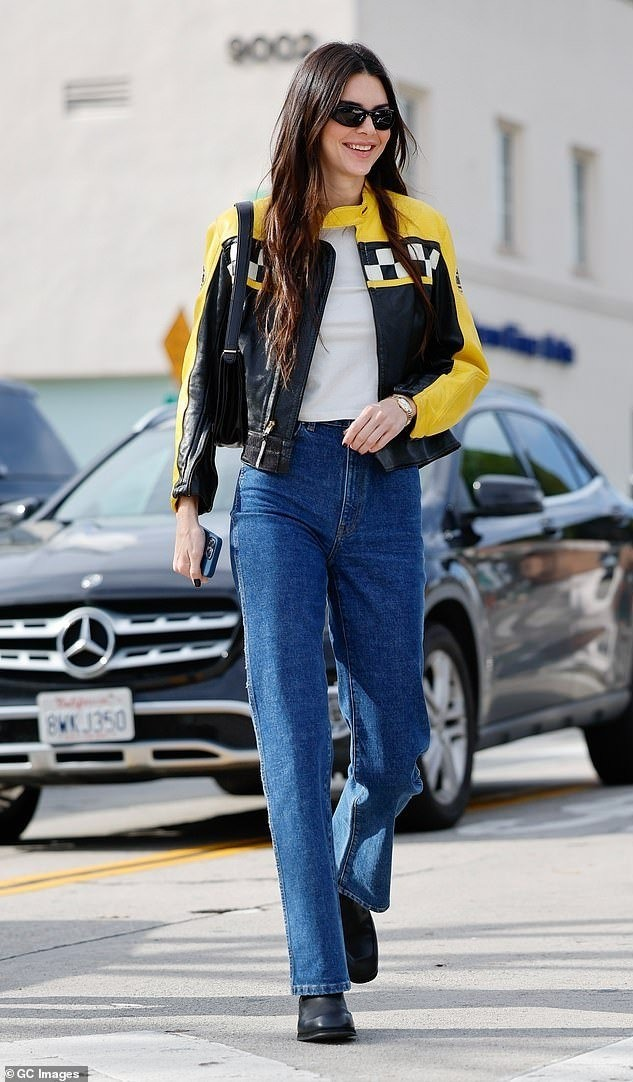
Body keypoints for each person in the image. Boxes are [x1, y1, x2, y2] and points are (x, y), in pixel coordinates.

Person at [171, 41, 489, 1042]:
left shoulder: (417, 235)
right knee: (293, 736)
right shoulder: (248, 232)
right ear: (310, 115)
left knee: (395, 743)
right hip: (278, 489)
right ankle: (318, 977)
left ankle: (351, 876)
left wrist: (408, 406)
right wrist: (188, 498)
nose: (367, 129)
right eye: (349, 111)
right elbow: (202, 377)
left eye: (382, 115)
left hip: (384, 489)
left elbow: (465, 364)